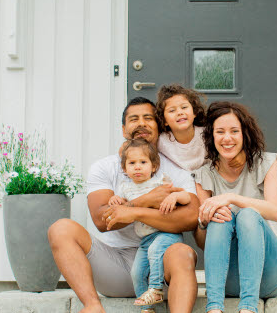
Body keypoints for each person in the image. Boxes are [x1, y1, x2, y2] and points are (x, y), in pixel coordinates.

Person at [48, 97, 199, 313]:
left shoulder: (175, 170)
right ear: (123, 128)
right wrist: (145, 201)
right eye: (133, 119)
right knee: (61, 228)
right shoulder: (104, 167)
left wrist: (133, 212)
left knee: (182, 252)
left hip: (162, 268)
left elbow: (191, 217)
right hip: (116, 264)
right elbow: (102, 220)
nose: (141, 123)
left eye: (148, 118)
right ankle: (92, 306)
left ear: (159, 126)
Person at [193, 101, 277, 313]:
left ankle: (248, 309)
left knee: (247, 215)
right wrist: (203, 221)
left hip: (272, 273)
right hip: (229, 279)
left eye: (234, 131)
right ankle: (214, 308)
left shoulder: (265, 163)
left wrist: (231, 197)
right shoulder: (203, 174)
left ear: (244, 134)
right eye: (220, 132)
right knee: (220, 217)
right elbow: (203, 243)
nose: (227, 138)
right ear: (212, 136)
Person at [108, 138, 191, 312]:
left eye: (143, 162)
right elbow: (121, 208)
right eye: (132, 163)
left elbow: (186, 197)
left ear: (154, 166)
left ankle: (156, 289)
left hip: (166, 234)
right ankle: (147, 308)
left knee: (155, 252)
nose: (137, 167)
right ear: (124, 168)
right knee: (136, 273)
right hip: (145, 239)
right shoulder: (125, 188)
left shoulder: (160, 182)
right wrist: (115, 200)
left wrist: (174, 197)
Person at [156, 83, 208, 171]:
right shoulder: (162, 141)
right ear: (164, 121)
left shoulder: (206, 134)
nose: (179, 112)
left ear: (194, 112)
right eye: (172, 110)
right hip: (178, 180)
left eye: (184, 107)